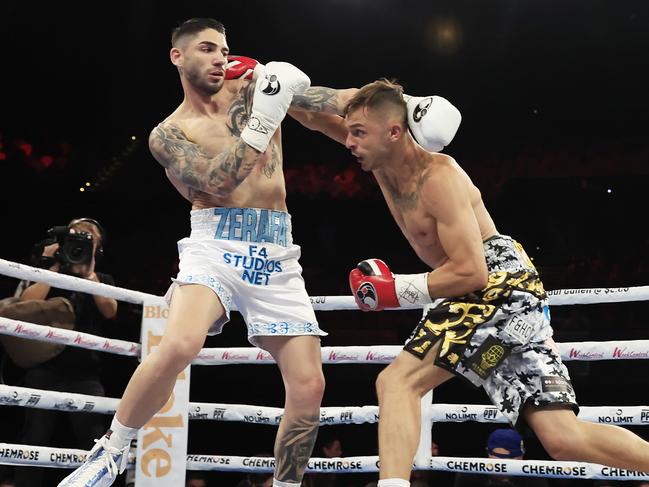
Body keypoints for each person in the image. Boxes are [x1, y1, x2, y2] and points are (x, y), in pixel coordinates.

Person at [57, 18, 460, 487]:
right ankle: (112, 449)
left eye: (223, 50)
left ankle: (287, 484)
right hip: (216, 245)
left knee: (310, 386)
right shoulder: (167, 134)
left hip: (276, 249)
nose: (219, 58)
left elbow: (330, 99)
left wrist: (406, 107)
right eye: (207, 49)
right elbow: (215, 182)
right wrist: (263, 119)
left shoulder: (252, 85)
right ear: (178, 56)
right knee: (182, 343)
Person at [300, 79, 649, 487]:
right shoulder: (379, 154)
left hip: (495, 284)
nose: (349, 142)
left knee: (397, 383)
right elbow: (312, 114)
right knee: (561, 437)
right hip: (510, 297)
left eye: (358, 132)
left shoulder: (438, 178)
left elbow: (472, 272)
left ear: (394, 132)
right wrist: (263, 84)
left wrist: (396, 291)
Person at [11, 217, 117, 487]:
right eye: (77, 235)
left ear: (98, 247)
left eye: (89, 237)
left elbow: (110, 309)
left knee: (93, 437)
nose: (81, 239)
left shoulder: (102, 280)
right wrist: (53, 267)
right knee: (34, 436)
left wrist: (89, 271)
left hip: (85, 371)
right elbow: (25, 304)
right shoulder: (47, 272)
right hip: (45, 367)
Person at [453, 429, 548, 487]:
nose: (504, 464)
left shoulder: (534, 476)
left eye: (512, 457)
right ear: (488, 453)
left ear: (522, 456)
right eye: (499, 457)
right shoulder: (470, 473)